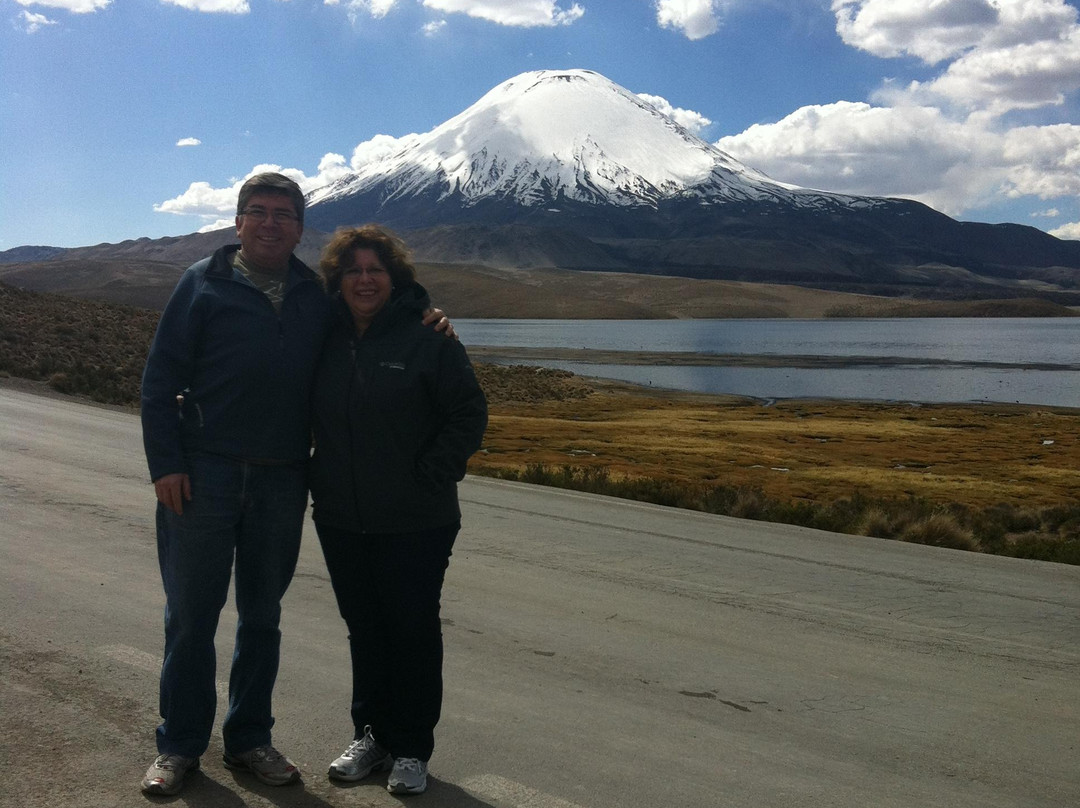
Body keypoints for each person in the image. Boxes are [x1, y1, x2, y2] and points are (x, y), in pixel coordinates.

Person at [139, 174, 451, 796]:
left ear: (300, 227)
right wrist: (166, 464)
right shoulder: (201, 283)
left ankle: (250, 737)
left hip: (283, 477)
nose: (270, 223)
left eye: (284, 214)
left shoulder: (315, 295)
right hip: (204, 474)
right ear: (237, 222)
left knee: (263, 615)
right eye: (258, 212)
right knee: (192, 616)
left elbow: (376, 303)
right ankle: (179, 745)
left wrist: (423, 312)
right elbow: (158, 380)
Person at [310, 225, 487, 795]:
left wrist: (428, 475)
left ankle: (411, 748)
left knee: (411, 632)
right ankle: (371, 735)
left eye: (375, 271)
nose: (364, 280)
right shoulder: (323, 336)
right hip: (341, 516)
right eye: (353, 271)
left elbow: (468, 414)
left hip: (417, 520)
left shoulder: (428, 337)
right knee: (365, 630)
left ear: (394, 279)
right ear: (337, 280)